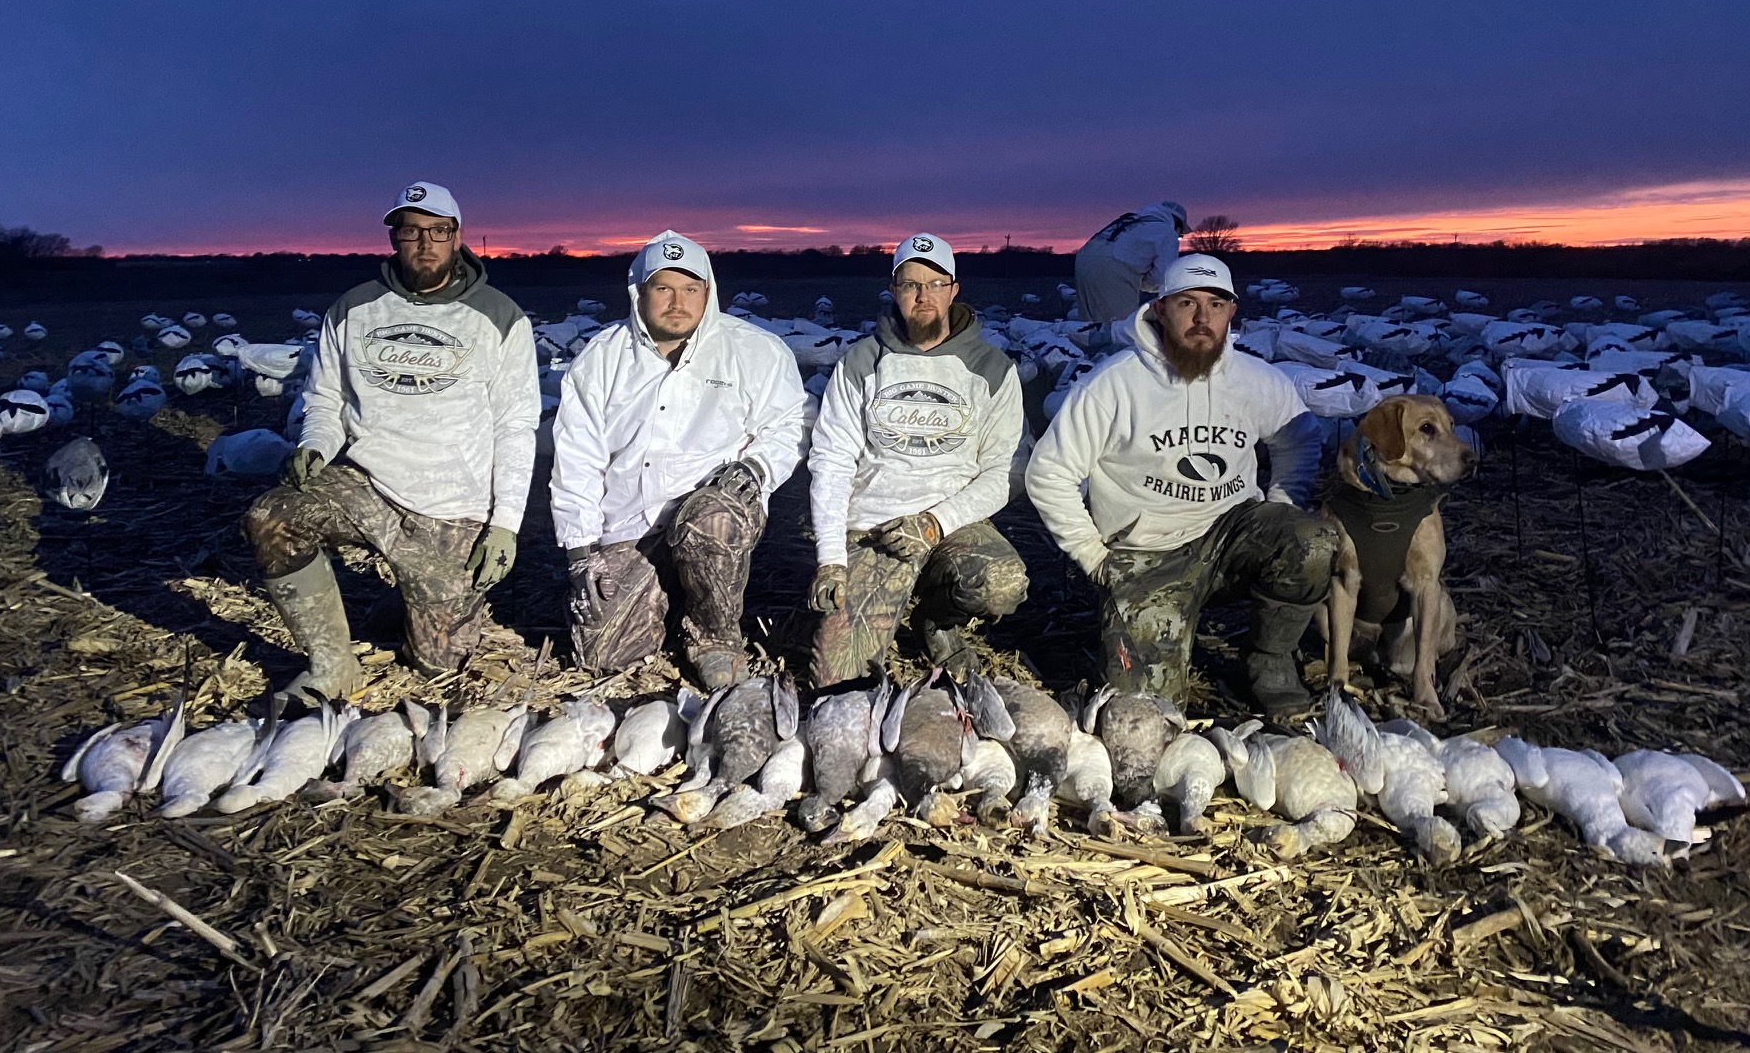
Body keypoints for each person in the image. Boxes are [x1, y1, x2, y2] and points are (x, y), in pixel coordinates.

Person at [243, 181, 540, 700]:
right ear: (393, 238)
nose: (425, 243)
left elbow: (515, 424)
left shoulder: (500, 317)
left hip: (453, 501)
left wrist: (505, 526)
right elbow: (326, 399)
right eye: (411, 231)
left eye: (438, 231)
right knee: (272, 517)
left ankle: (410, 599)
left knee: (437, 666)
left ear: (457, 237)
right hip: (366, 483)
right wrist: (314, 444)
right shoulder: (353, 309)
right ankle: (332, 665)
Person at [1025, 252, 1337, 717]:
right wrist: (1093, 557)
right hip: (1147, 553)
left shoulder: (1258, 380)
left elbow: (1300, 439)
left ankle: (1268, 660)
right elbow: (1048, 471)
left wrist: (1281, 503)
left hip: (1233, 535)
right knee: (1146, 710)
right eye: (1186, 303)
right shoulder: (1113, 386)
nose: (1201, 318)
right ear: (1159, 309)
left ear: (1232, 312)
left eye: (1215, 304)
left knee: (1310, 541)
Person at [551, 231, 806, 689]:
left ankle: (713, 638)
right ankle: (669, 599)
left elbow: (789, 424)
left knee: (709, 519)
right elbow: (577, 457)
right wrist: (579, 550)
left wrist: (758, 467)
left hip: (713, 517)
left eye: (691, 289)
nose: (678, 302)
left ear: (707, 293)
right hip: (631, 524)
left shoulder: (756, 351)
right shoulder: (602, 358)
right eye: (663, 288)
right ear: (639, 292)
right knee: (601, 656)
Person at [806, 235, 1028, 683]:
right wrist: (831, 558)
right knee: (837, 678)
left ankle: (938, 621)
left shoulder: (993, 368)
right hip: (875, 527)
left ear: (953, 289)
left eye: (934, 283)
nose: (922, 296)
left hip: (953, 522)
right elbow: (831, 460)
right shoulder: (861, 361)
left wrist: (933, 524)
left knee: (1001, 582)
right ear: (894, 290)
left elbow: (1000, 473)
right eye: (910, 285)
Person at [1072, 201, 1190, 325]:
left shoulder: (1129, 222)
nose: (1178, 237)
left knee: (1089, 322)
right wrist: (1140, 283)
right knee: (1119, 326)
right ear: (1176, 224)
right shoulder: (1167, 232)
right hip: (1114, 268)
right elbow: (1161, 277)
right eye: (1180, 235)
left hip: (1084, 260)